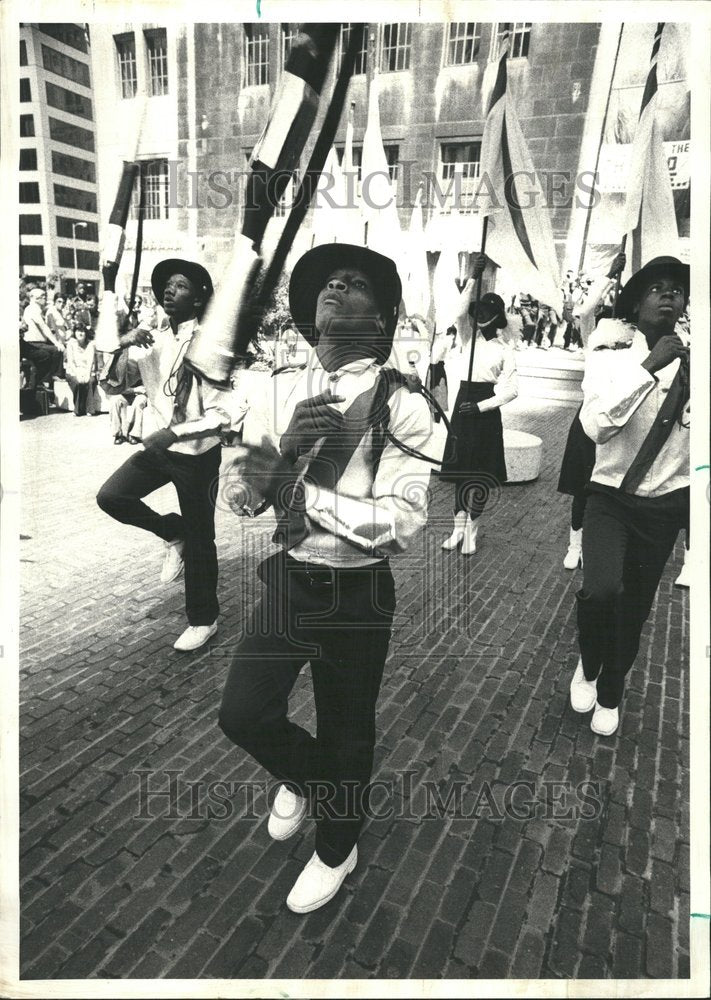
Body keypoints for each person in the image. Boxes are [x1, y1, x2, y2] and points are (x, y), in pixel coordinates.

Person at [218, 242, 435, 913]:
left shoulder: (404, 405)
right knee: (244, 713)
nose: (337, 286)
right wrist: (275, 461)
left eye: (357, 282)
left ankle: (338, 846)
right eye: (327, 282)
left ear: (382, 318)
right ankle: (307, 778)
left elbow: (401, 523)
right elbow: (241, 495)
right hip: (292, 577)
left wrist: (300, 492)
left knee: (347, 731)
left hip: (358, 592)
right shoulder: (277, 387)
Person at [569, 256, 690, 737]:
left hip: (663, 505)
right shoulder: (608, 353)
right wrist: (648, 368)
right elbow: (596, 426)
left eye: (676, 289)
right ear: (637, 301)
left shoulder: (697, 358)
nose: (667, 294)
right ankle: (589, 662)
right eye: (656, 287)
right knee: (601, 590)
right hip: (610, 498)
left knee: (635, 607)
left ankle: (612, 687)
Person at [96, 258, 231, 652]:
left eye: (181, 285)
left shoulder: (213, 342)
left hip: (197, 451)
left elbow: (223, 412)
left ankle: (204, 619)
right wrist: (123, 346)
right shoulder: (150, 339)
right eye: (167, 285)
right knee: (112, 496)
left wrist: (173, 432)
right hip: (160, 449)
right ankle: (173, 532)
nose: (170, 291)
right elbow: (112, 386)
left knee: (203, 537)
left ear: (200, 295)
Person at [434, 254, 518, 556]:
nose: (480, 315)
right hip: (462, 404)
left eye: (487, 311)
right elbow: (459, 312)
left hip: (484, 411)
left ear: (497, 317)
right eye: (478, 310)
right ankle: (457, 529)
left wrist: (483, 407)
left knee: (479, 474)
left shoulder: (505, 349)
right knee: (460, 472)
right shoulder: (468, 338)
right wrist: (472, 276)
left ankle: (472, 529)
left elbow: (511, 391)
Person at [558, 252, 626, 570]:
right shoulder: (593, 341)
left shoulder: (636, 349)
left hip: (620, 427)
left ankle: (601, 545)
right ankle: (575, 545)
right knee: (581, 487)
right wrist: (610, 277)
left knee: (610, 490)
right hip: (588, 423)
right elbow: (584, 311)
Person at [20, 287, 65, 383]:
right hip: (33, 343)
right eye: (42, 296)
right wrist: (57, 343)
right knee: (57, 350)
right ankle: (52, 377)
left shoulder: (36, 309)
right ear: (34, 298)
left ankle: (46, 379)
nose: (45, 298)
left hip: (37, 343)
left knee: (50, 353)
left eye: (45, 296)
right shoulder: (33, 309)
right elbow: (44, 327)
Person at [108, 355, 147, 445]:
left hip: (139, 395)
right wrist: (134, 390)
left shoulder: (142, 366)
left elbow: (146, 386)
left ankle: (134, 435)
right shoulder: (116, 369)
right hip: (125, 394)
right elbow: (115, 387)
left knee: (139, 402)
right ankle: (118, 434)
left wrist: (142, 390)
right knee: (114, 400)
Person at [64, 321, 98, 416]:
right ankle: (78, 409)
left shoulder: (90, 344)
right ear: (74, 332)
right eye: (78, 331)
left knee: (91, 381)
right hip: (73, 370)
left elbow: (91, 362)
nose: (80, 333)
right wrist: (77, 374)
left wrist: (87, 374)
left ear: (86, 333)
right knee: (77, 382)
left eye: (82, 331)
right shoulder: (71, 343)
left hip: (87, 370)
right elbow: (70, 362)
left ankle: (89, 409)